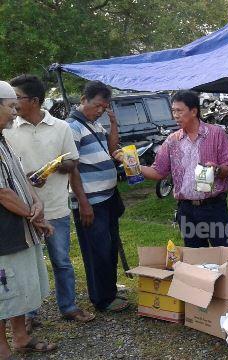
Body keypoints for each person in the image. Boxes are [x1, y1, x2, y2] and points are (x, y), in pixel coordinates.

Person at [4, 75, 95, 328]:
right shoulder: (8, 129)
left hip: (55, 206)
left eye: (17, 98)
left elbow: (73, 162)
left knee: (62, 261)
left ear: (34, 100)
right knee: (29, 264)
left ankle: (68, 306)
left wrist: (53, 167)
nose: (14, 104)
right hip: (22, 211)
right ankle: (30, 314)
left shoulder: (61, 127)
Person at [116, 90, 228, 248]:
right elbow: (158, 172)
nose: (175, 115)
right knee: (196, 262)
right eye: (173, 111)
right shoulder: (172, 141)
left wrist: (218, 170)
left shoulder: (216, 134)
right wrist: (131, 163)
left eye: (179, 110)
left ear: (194, 111)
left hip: (214, 207)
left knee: (227, 255)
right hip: (187, 210)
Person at [0, 81, 57, 359]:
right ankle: (2, 348)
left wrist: (37, 201)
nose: (15, 112)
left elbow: (20, 177)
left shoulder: (3, 139)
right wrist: (34, 217)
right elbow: (2, 192)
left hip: (19, 229)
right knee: (3, 289)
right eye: (10, 106)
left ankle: (21, 338)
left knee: (20, 285)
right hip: (4, 235)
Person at [67, 81, 129, 312]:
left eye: (105, 107)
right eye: (97, 105)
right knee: (97, 250)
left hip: (108, 197)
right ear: (83, 99)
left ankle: (109, 289)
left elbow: (112, 149)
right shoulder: (72, 127)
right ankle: (101, 299)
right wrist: (83, 203)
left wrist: (112, 122)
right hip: (90, 202)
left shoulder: (94, 124)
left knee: (110, 245)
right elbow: (71, 168)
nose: (100, 110)